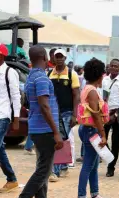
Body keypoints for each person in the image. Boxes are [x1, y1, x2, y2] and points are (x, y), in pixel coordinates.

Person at [11, 45, 63, 198]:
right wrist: (56, 132)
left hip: (38, 128)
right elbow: (44, 105)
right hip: (45, 129)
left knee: (43, 169)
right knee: (43, 171)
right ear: (43, 56)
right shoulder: (41, 77)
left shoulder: (32, 76)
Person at [76, 58, 110, 198]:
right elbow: (96, 115)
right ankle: (81, 197)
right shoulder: (92, 92)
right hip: (92, 130)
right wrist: (103, 135)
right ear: (100, 75)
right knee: (88, 164)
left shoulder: (88, 88)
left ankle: (95, 195)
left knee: (94, 165)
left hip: (88, 129)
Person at [0, 43, 20, 192]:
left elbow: (16, 97)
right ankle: (11, 179)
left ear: (0, 56)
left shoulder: (10, 72)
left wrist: (16, 118)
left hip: (2, 115)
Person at [49, 49, 80, 182]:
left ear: (65, 58)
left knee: (61, 139)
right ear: (54, 59)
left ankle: (55, 171)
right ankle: (63, 167)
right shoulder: (50, 74)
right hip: (53, 112)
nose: (59, 59)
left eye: (62, 57)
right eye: (57, 57)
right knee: (59, 139)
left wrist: (75, 114)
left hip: (67, 112)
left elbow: (76, 95)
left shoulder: (71, 74)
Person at [102, 59, 119, 177]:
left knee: (116, 141)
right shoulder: (104, 80)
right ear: (109, 67)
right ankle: (109, 156)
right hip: (105, 113)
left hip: (117, 115)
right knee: (101, 139)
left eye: (116, 66)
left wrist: (115, 114)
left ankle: (111, 167)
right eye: (112, 66)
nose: (114, 68)